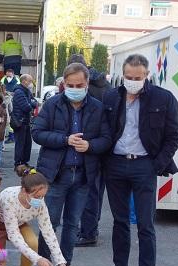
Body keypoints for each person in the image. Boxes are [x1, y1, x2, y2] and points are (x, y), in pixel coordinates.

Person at [99, 54, 178, 266]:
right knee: (119, 221)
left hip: (144, 165)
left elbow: (174, 136)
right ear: (121, 75)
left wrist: (156, 165)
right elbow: (105, 130)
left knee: (145, 224)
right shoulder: (112, 96)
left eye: (138, 78)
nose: (132, 81)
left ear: (147, 76)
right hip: (115, 164)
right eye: (128, 77)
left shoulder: (163, 99)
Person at [32, 63, 110, 266]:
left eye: (80, 85)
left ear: (87, 84)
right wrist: (65, 140)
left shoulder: (97, 107)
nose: (75, 88)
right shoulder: (52, 104)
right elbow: (37, 132)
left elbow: (106, 139)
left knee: (72, 225)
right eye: (71, 84)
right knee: (50, 223)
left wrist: (91, 146)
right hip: (55, 175)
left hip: (83, 176)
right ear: (63, 84)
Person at [0, 169, 75, 266]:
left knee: (33, 242)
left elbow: (48, 232)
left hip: (19, 223)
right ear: (24, 191)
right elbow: (13, 235)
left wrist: (61, 263)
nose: (40, 200)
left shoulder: (39, 203)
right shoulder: (10, 199)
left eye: (42, 196)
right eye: (37, 196)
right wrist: (38, 259)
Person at [67, 54, 112, 247]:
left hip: (88, 147)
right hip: (100, 149)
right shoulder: (105, 85)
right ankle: (90, 228)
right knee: (94, 192)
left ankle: (87, 232)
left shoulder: (88, 91)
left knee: (88, 193)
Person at [11, 74, 38, 175]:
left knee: (27, 144)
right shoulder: (19, 92)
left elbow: (34, 102)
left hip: (26, 122)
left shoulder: (27, 91)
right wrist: (31, 103)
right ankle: (18, 164)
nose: (31, 84)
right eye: (30, 81)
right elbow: (26, 107)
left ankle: (24, 162)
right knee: (20, 144)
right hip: (20, 122)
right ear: (24, 81)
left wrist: (31, 103)